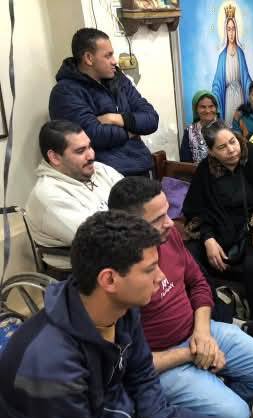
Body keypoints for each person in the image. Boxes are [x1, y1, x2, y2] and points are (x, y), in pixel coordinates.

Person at [0, 210, 253, 418]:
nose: (161, 277)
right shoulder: (48, 362)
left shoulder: (122, 309)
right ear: (109, 280)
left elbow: (143, 378)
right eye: (150, 269)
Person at [108, 177, 253, 418]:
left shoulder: (168, 237)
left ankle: (220, 414)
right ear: (129, 225)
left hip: (198, 333)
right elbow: (129, 365)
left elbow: (198, 283)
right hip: (163, 360)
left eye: (168, 212)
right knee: (236, 415)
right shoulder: (118, 276)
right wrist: (192, 354)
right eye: (158, 219)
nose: (170, 223)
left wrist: (202, 334)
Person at [182, 121, 253, 324]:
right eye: (222, 147)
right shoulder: (206, 170)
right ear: (211, 152)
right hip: (219, 230)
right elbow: (197, 208)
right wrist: (208, 238)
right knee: (189, 254)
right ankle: (212, 306)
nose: (231, 150)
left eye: (233, 141)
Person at [49, 28, 159, 176]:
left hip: (141, 165)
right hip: (105, 175)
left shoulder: (119, 80)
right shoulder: (65, 92)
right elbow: (93, 135)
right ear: (89, 58)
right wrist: (133, 130)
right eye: (108, 56)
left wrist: (115, 119)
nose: (114, 61)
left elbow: (151, 118)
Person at [25, 120, 123, 270]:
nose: (91, 155)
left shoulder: (99, 169)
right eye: (80, 151)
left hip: (118, 253)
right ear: (55, 157)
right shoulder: (48, 195)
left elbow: (137, 200)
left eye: (90, 146)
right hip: (82, 272)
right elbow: (99, 240)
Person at [211, 8, 253, 125]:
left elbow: (246, 78)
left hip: (240, 94)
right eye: (228, 29)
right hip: (228, 96)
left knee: (240, 123)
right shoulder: (222, 56)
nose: (231, 33)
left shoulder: (240, 53)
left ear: (236, 30)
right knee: (229, 122)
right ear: (225, 31)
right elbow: (217, 82)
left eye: (233, 29)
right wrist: (213, 95)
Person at [180, 90, 219, 163]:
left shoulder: (224, 129)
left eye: (211, 106)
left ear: (216, 108)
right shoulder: (189, 132)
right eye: (203, 107)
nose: (207, 111)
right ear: (196, 109)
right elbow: (185, 161)